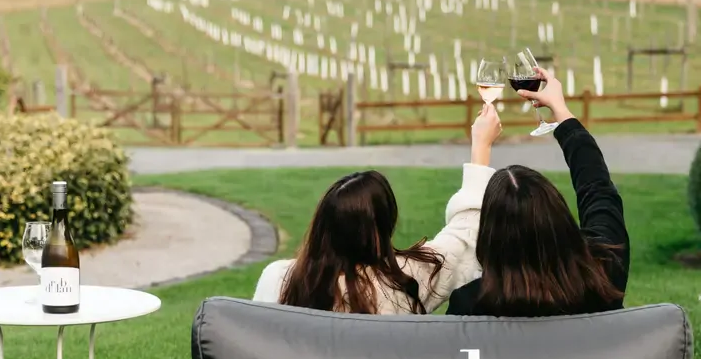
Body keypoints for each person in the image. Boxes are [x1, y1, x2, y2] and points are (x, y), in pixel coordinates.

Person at [252, 105, 502, 314]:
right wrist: (481, 146)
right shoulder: (403, 282)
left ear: (322, 225)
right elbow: (465, 235)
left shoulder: (278, 279)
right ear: (384, 227)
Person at [446, 67, 629, 318]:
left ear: (491, 236)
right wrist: (561, 111)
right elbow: (598, 189)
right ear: (558, 217)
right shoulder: (605, 268)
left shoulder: (471, 304)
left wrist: (480, 148)